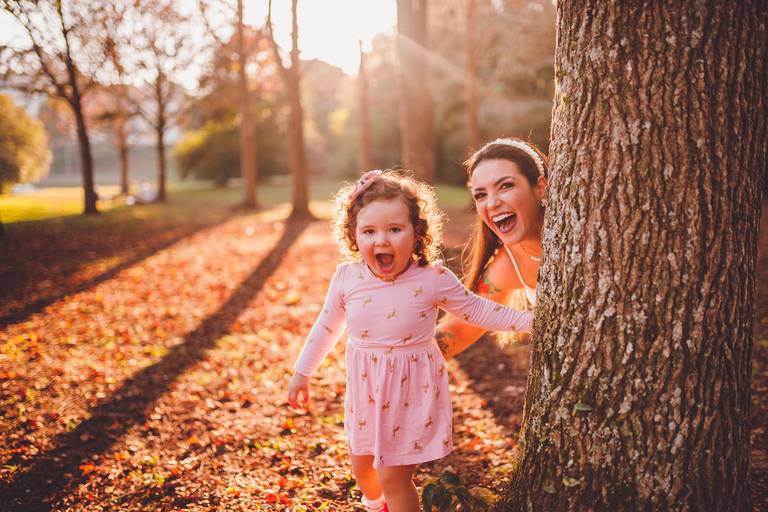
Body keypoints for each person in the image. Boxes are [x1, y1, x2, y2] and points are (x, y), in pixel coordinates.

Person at [286, 169, 534, 512]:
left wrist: (529, 321)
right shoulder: (348, 278)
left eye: (394, 230)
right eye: (369, 231)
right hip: (365, 390)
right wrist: (303, 372)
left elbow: (476, 310)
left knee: (393, 477)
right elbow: (327, 325)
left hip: (410, 390)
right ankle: (376, 506)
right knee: (364, 472)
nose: (382, 241)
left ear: (416, 234)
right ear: (354, 236)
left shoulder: (432, 279)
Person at [436, 137, 548, 359]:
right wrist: (392, 351)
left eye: (506, 186)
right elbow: (460, 330)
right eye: (480, 195)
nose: (492, 203)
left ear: (541, 188)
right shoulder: (508, 264)